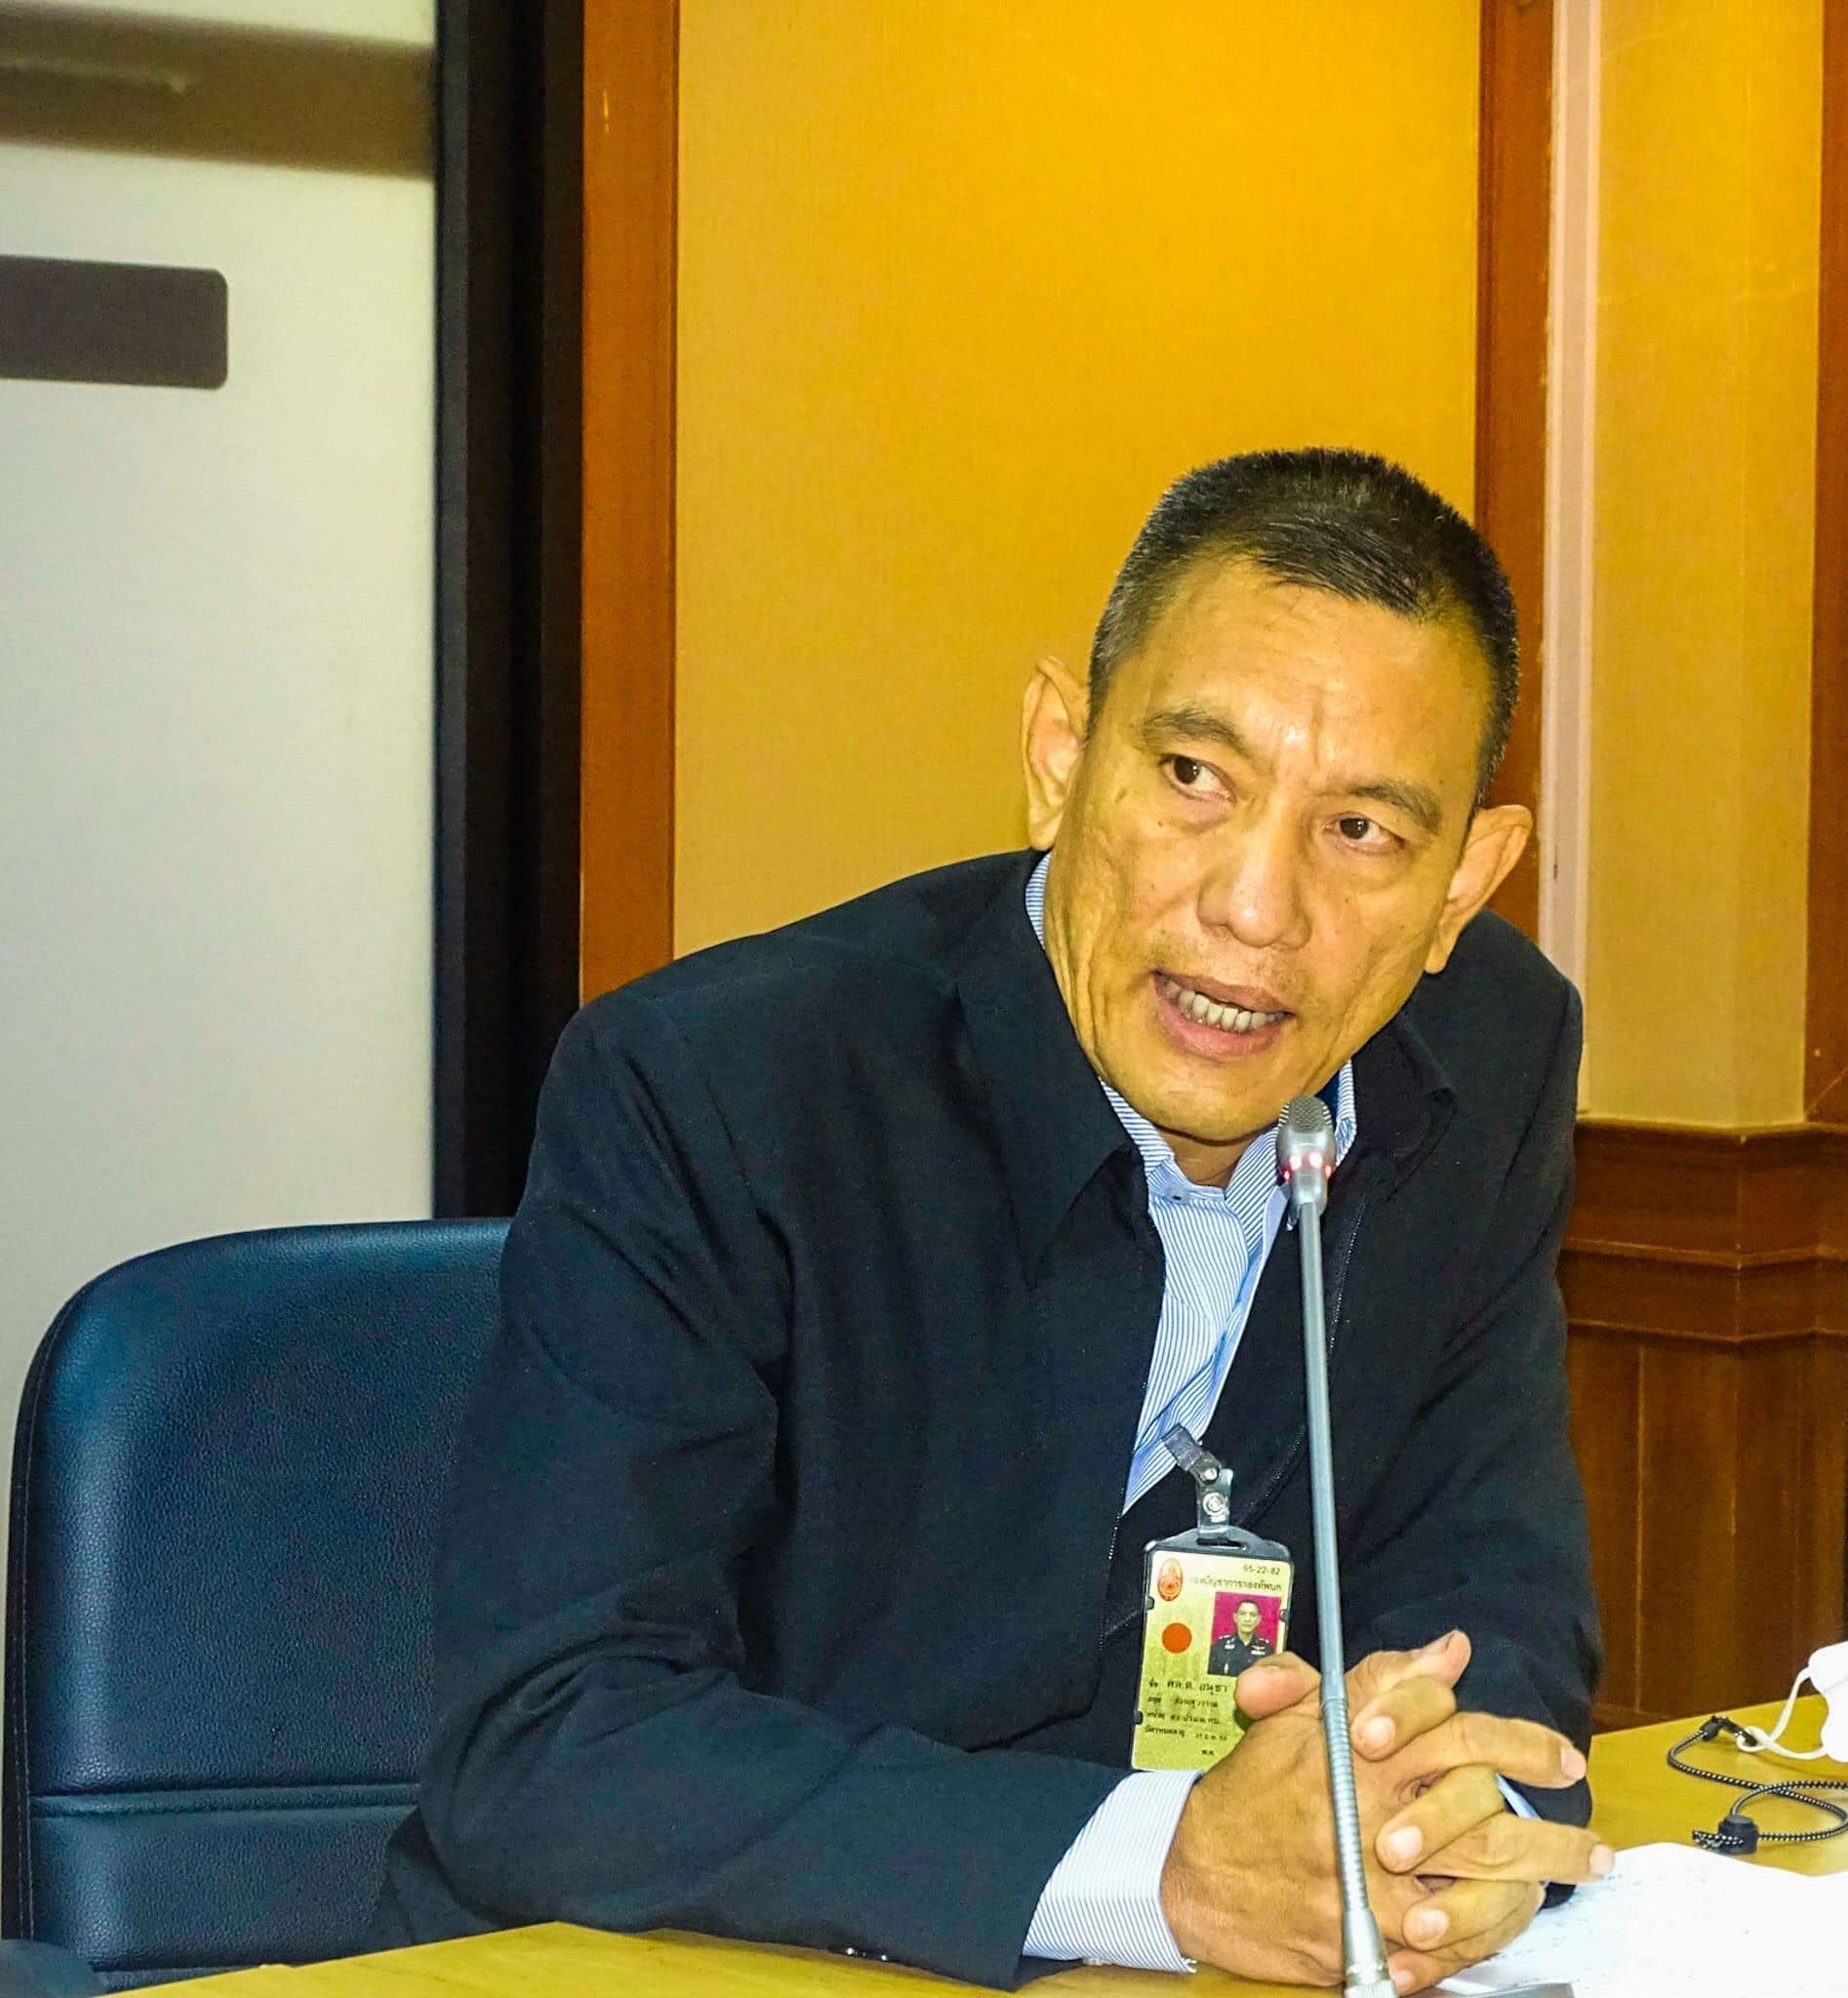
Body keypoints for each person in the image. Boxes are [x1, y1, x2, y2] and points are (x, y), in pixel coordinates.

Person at [372, 449, 1608, 1994]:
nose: (1254, 907)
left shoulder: (1490, 1055)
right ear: (1057, 757)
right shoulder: (719, 1086)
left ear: (1463, 885)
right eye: (1193, 776)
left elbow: (1489, 1587)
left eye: (1360, 830)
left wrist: (1435, 1834)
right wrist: (1159, 1872)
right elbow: (546, 1737)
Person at [1208, 1598, 1274, 1678]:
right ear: (1235, 1617)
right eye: (1243, 1614)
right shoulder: (1219, 1646)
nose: (1247, 1619)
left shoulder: (1267, 1650)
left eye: (1252, 1615)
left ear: (1258, 1620)